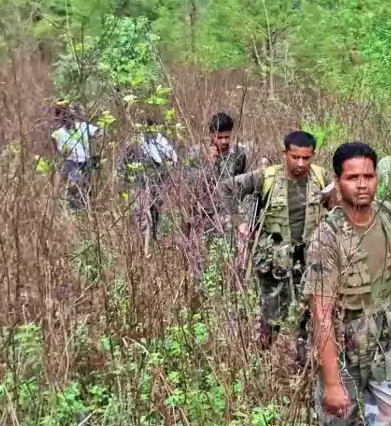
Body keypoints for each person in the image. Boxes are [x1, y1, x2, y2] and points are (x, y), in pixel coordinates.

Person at [303, 141, 391, 426]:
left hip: (387, 342)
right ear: (338, 182)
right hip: (344, 349)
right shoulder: (327, 238)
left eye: (369, 176)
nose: (362, 184)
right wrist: (333, 383)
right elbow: (321, 314)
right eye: (353, 177)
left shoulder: (385, 214)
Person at [216, 131, 336, 357]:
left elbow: (334, 208)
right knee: (272, 314)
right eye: (295, 157)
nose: (300, 163)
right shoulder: (266, 177)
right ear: (285, 154)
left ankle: (304, 361)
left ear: (313, 156)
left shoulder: (320, 177)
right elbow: (226, 188)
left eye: (306, 158)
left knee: (308, 313)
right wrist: (239, 223)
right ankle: (258, 359)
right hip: (274, 258)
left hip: (309, 256)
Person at [179, 111, 252, 289]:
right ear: (211, 135)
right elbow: (189, 185)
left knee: (233, 258)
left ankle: (233, 289)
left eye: (227, 137)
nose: (224, 141)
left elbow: (242, 183)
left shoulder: (238, 154)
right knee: (203, 260)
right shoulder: (196, 154)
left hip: (229, 215)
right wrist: (208, 164)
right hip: (203, 216)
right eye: (220, 137)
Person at [116, 113, 179, 254]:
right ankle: (144, 246)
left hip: (157, 184)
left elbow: (173, 160)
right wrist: (124, 184)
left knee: (155, 212)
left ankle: (154, 241)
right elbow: (121, 165)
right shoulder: (133, 144)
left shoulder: (161, 142)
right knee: (141, 213)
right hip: (138, 185)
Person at [51, 102, 104, 211]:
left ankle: (88, 209)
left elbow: (99, 133)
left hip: (87, 162)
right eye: (65, 114)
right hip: (72, 164)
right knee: (75, 188)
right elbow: (59, 155)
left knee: (89, 189)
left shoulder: (83, 126)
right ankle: (75, 210)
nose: (69, 117)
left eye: (71, 114)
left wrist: (99, 135)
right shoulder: (58, 134)